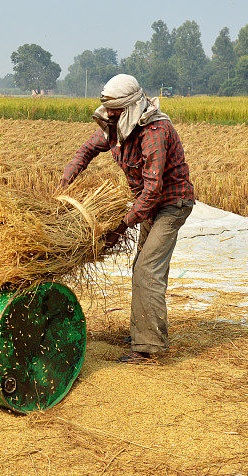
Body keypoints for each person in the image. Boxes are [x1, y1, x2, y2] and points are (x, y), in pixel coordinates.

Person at [58, 74, 195, 365]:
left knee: (148, 270)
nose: (110, 114)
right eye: (108, 109)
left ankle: (147, 350)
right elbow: (86, 150)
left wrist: (121, 226)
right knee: (143, 267)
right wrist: (64, 183)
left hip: (172, 204)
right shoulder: (116, 126)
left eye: (115, 110)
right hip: (148, 206)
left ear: (129, 107)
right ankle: (143, 332)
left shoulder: (154, 130)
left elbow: (153, 187)